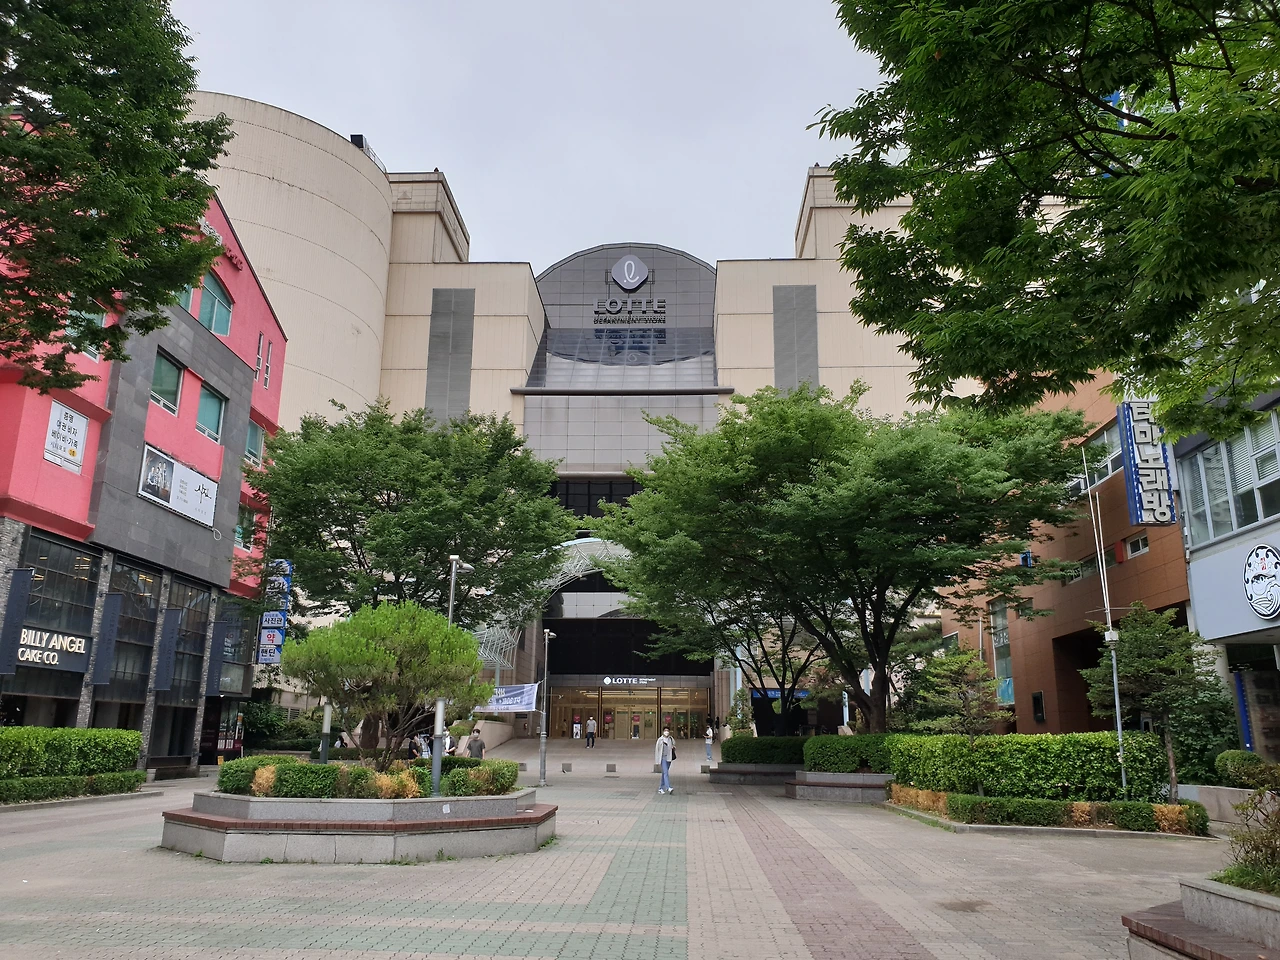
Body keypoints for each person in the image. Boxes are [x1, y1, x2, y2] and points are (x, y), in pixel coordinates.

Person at [655, 726, 675, 794]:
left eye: (667, 730)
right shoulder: (660, 740)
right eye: (665, 730)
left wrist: (673, 747)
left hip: (669, 758)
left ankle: (660, 788)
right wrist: (657, 760)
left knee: (664, 773)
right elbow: (657, 750)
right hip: (662, 758)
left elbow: (674, 744)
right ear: (663, 731)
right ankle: (668, 787)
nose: (666, 732)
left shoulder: (671, 739)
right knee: (666, 773)